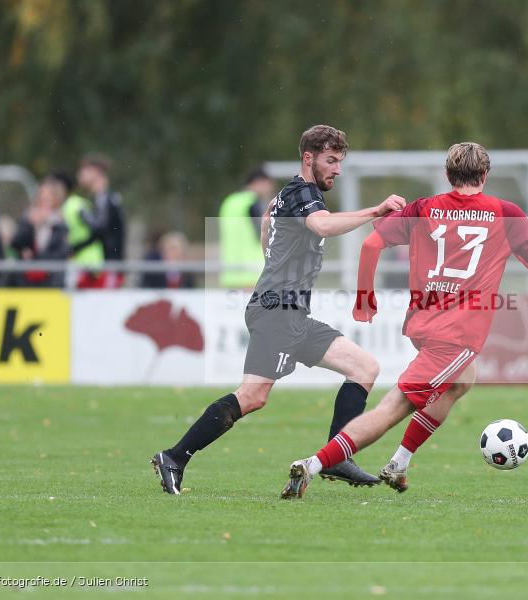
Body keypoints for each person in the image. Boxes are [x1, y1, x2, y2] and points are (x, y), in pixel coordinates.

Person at [281, 142, 528, 499]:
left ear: (447, 175)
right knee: (392, 409)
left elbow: (370, 245)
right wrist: (514, 248)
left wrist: (365, 297)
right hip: (456, 334)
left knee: (461, 381)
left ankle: (399, 462)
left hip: (423, 323)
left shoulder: (423, 208)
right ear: (486, 176)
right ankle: (313, 464)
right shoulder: (506, 214)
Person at [151, 124, 406, 494]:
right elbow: (321, 226)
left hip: (291, 312)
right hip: (277, 311)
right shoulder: (302, 192)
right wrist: (376, 210)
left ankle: (337, 458)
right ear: (309, 158)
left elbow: (269, 237)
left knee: (364, 367)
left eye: (340, 161)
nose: (337, 169)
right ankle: (174, 457)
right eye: (331, 160)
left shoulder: (292, 195)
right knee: (253, 395)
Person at [219, 167, 275, 288]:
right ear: (258, 182)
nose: (270, 189)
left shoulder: (229, 202)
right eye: (268, 184)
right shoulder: (253, 203)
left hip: (230, 273)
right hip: (252, 274)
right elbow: (266, 232)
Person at [10, 177, 69, 287]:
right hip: (27, 280)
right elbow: (16, 243)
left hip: (51, 280)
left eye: (49, 195)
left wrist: (35, 257)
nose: (44, 197)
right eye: (42, 193)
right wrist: (30, 224)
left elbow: (61, 252)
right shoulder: (29, 216)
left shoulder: (60, 223)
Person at [77, 154, 125, 287]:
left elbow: (100, 227)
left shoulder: (105, 198)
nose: (80, 174)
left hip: (110, 268)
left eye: (84, 171)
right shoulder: (102, 198)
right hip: (106, 267)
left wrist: (83, 215)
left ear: (96, 172)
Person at [55, 171, 105, 289]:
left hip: (89, 262)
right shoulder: (63, 207)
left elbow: (97, 229)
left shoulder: (75, 205)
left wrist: (76, 248)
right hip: (76, 264)